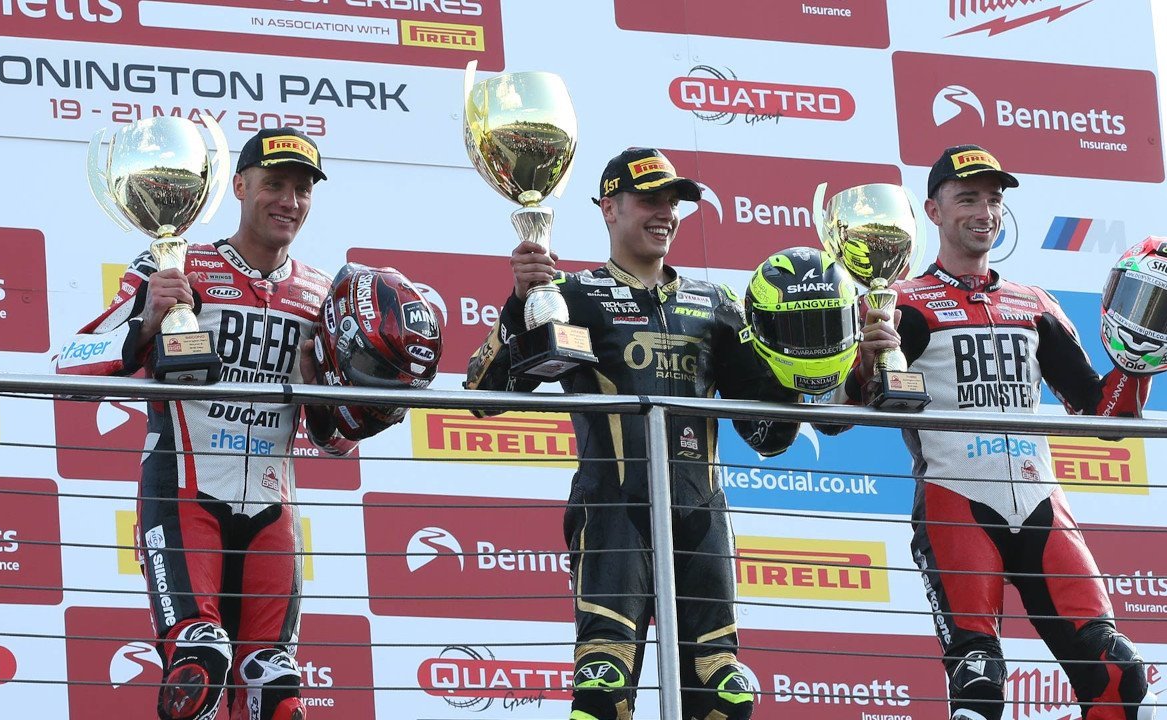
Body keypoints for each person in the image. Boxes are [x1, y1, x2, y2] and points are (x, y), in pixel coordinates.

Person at [56, 128, 385, 720]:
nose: (289, 201)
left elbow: (333, 439)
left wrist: (367, 404)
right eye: (274, 184)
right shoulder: (177, 266)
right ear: (239, 186)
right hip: (184, 497)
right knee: (199, 663)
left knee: (275, 687)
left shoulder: (321, 295)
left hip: (273, 511)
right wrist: (148, 321)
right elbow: (72, 365)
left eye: (303, 190)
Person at [464, 148, 800, 720]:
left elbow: (768, 435)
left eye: (674, 202)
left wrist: (809, 373)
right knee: (603, 694)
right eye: (650, 200)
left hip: (701, 518)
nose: (665, 212)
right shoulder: (570, 295)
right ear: (609, 209)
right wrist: (520, 304)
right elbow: (484, 393)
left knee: (725, 698)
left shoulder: (716, 304)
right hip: (611, 513)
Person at [848, 145, 1158, 720]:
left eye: (993, 200)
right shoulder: (902, 303)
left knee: (1119, 674)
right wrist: (867, 360)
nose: (984, 212)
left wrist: (1141, 361)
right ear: (933, 212)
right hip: (956, 503)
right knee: (979, 683)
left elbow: (1105, 418)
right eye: (967, 199)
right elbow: (847, 409)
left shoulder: (1035, 304)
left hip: (1042, 505)